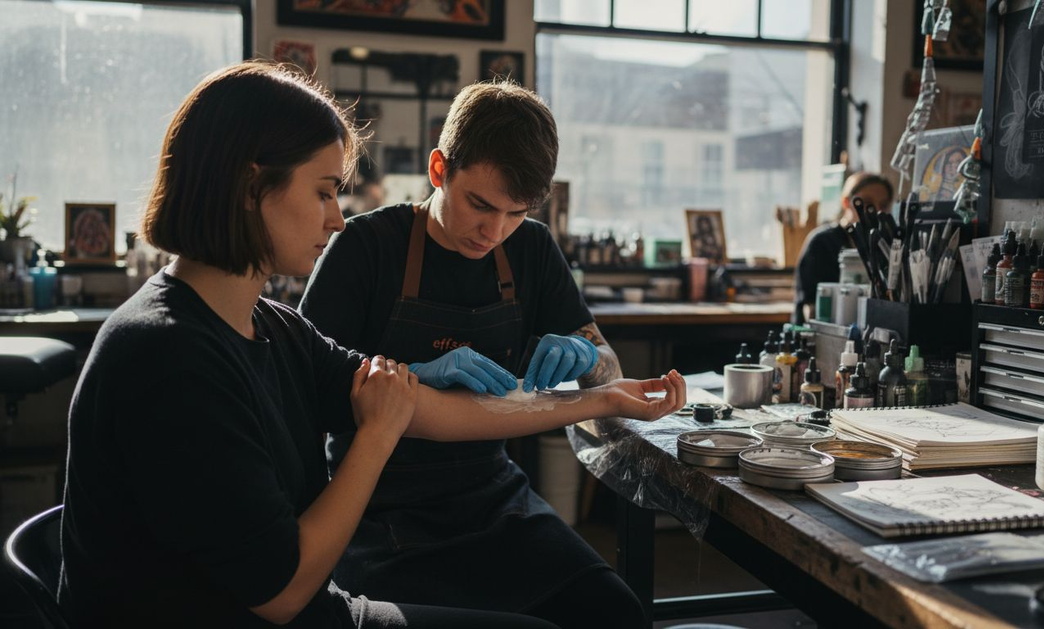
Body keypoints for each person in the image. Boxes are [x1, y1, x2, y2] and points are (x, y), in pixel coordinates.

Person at [58, 62, 687, 629]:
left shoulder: (272, 326)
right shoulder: (172, 357)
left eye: (515, 214)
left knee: (608, 613)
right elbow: (280, 591)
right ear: (253, 187)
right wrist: (383, 427)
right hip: (349, 548)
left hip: (466, 508)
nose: (336, 217)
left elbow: (425, 408)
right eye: (325, 191)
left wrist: (603, 397)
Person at [298, 81, 639, 628]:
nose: (494, 231)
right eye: (479, 204)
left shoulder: (530, 248)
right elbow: (301, 396)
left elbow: (610, 370)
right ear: (439, 169)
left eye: (515, 212)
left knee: (614, 613)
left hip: (494, 498)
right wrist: (408, 378)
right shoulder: (364, 247)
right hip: (379, 510)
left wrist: (585, 355)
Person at [792, 171, 894, 323]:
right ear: (847, 202)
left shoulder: (887, 246)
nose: (876, 211)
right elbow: (811, 308)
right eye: (867, 203)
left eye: (883, 205)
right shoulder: (821, 243)